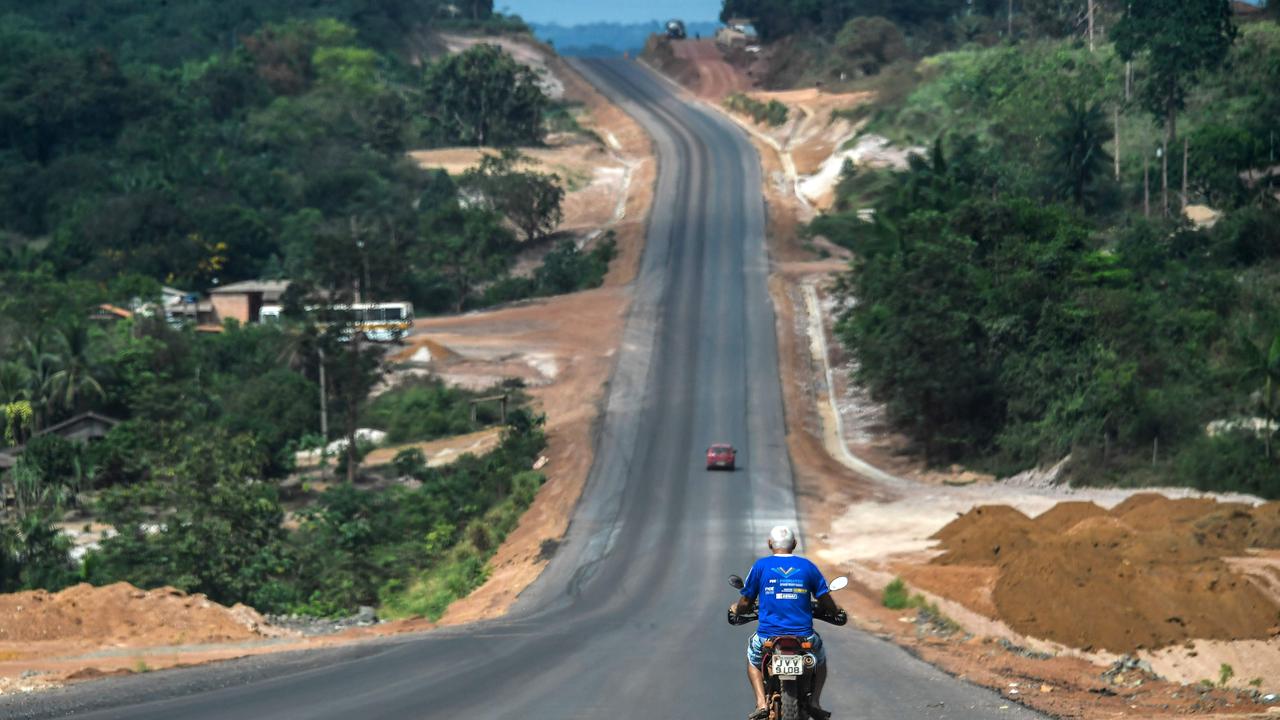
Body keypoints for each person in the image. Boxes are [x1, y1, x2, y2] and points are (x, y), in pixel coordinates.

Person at [733, 526, 838, 720]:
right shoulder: (808, 567)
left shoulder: (760, 566)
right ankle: (814, 702)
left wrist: (736, 610)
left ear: (770, 544)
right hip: (804, 637)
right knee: (820, 658)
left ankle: (762, 703)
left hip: (767, 637)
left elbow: (746, 601)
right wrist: (835, 611)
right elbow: (825, 598)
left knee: (753, 659)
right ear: (795, 544)